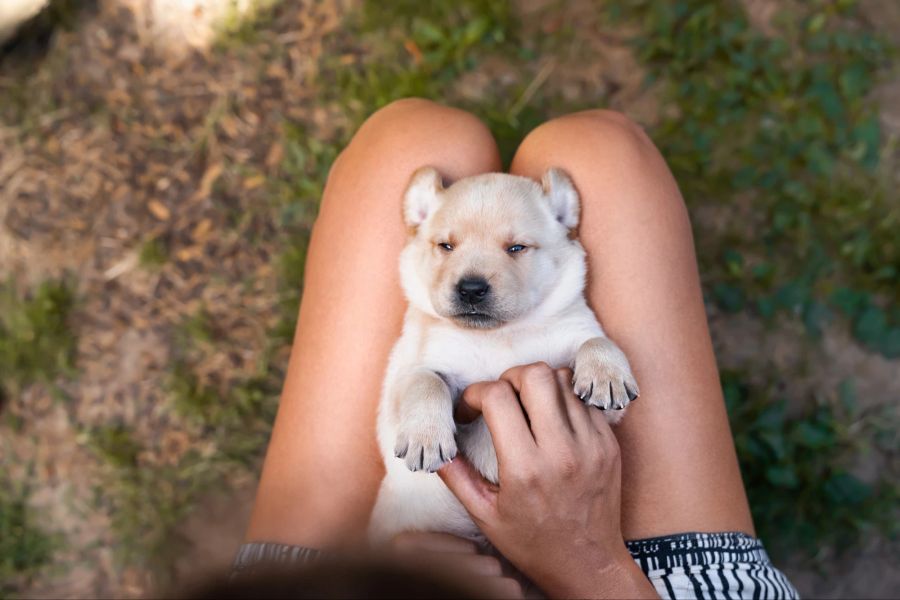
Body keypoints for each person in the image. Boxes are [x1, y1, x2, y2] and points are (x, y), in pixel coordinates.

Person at [235, 99, 799, 599]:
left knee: (409, 135)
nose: (473, 278)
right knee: (601, 149)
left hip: (376, 568)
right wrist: (590, 568)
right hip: (635, 575)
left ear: (561, 226)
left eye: (514, 248)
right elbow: (604, 404)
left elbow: (569, 351)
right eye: (448, 246)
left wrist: (596, 357)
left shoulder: (555, 310)